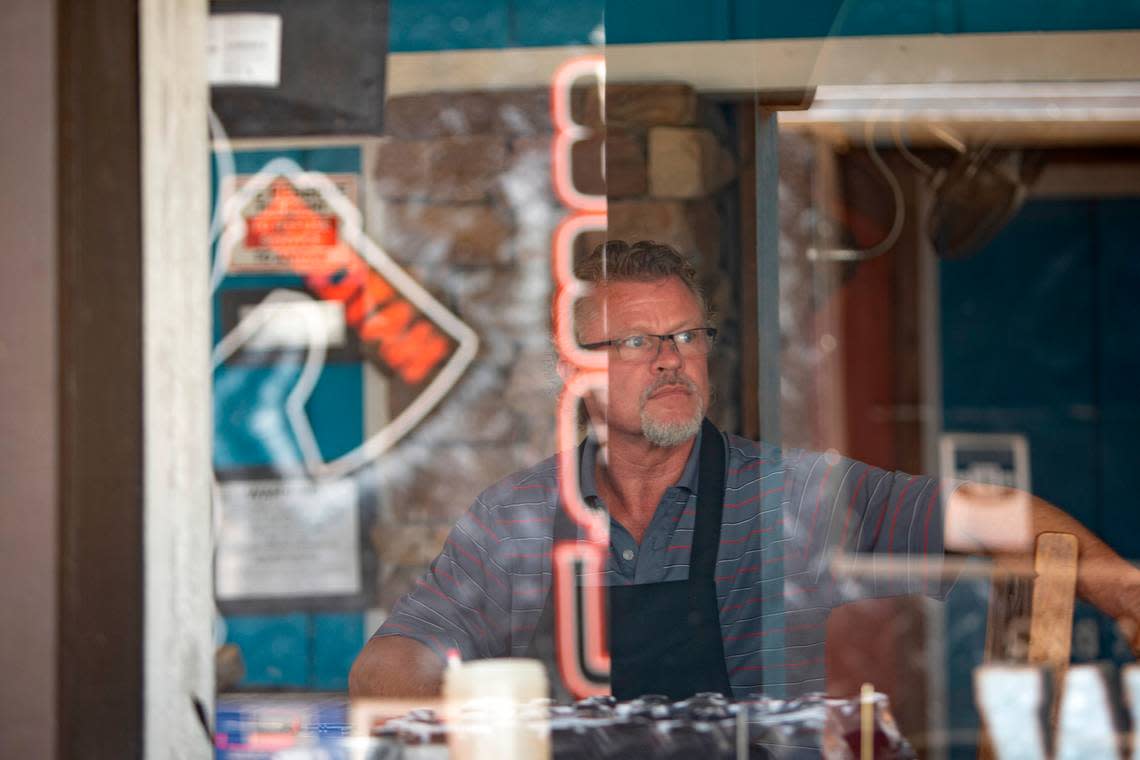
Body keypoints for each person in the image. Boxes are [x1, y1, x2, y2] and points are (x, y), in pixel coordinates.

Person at [350, 239, 1140, 701]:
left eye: (689, 336)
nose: (671, 359)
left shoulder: (789, 495)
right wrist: (455, 704)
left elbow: (990, 516)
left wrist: (1121, 592)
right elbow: (393, 661)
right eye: (636, 342)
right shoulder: (515, 518)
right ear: (572, 369)